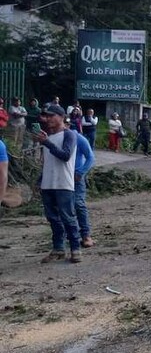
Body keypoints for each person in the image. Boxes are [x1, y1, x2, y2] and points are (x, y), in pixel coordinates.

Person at [33, 104, 82, 263]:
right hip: (48, 184)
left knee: (68, 217)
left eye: (52, 116)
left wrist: (47, 142)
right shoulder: (48, 136)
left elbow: (65, 155)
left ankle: (75, 248)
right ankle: (58, 248)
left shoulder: (69, 135)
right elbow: (48, 162)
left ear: (61, 117)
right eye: (47, 116)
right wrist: (40, 180)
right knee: (53, 218)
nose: (48, 119)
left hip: (63, 184)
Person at [70, 119, 96, 248]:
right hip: (62, 177)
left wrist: (80, 173)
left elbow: (90, 157)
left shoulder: (79, 139)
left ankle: (86, 235)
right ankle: (67, 235)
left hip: (76, 178)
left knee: (78, 204)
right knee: (63, 207)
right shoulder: (55, 138)